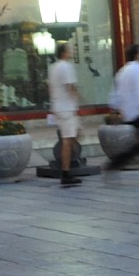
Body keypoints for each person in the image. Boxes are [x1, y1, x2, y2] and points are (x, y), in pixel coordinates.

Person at [106, 43, 139, 183]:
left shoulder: (122, 71)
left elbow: (116, 93)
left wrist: (116, 109)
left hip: (127, 111)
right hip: (137, 112)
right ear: (137, 55)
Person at [47, 41, 82, 187]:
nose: (71, 52)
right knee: (68, 141)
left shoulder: (53, 67)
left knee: (72, 137)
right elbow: (70, 86)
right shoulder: (66, 66)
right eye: (69, 50)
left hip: (59, 106)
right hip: (67, 108)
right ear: (64, 52)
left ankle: (67, 167)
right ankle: (66, 172)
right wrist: (79, 100)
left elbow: (50, 87)